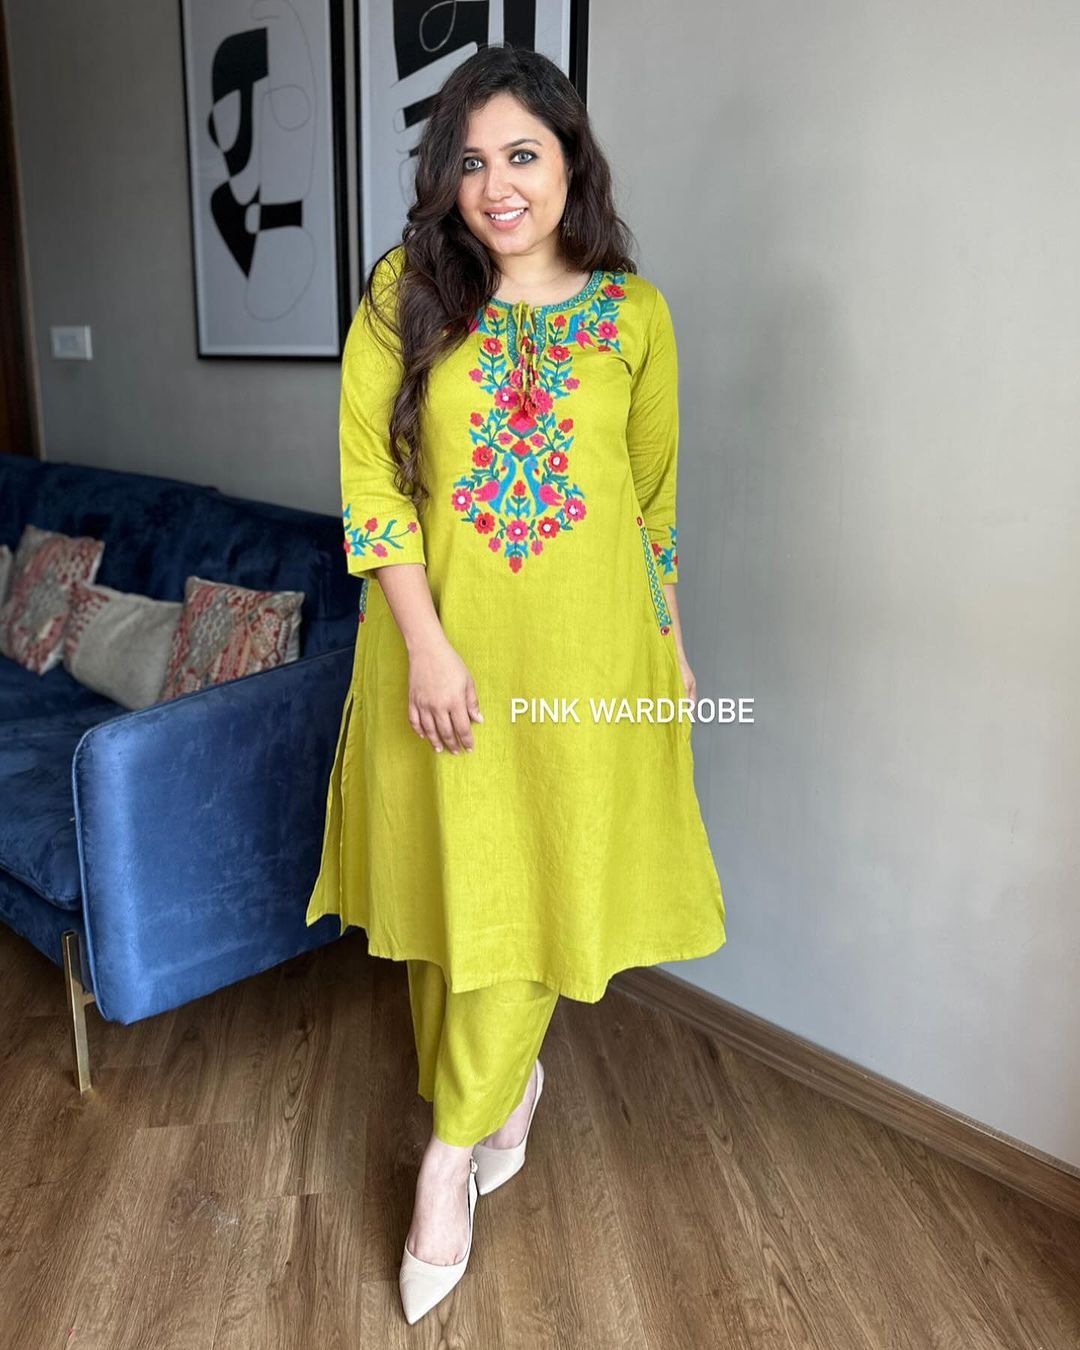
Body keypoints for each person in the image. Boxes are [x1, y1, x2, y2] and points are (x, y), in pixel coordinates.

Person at [304, 42, 727, 1325]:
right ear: (446, 177)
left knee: (536, 884)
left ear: (570, 162)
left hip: (592, 660)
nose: (499, 185)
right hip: (437, 654)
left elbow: (651, 510)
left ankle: (447, 1159)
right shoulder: (405, 298)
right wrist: (429, 646)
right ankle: (507, 1090)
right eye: (473, 160)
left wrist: (671, 647)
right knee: (454, 891)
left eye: (524, 155)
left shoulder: (635, 316)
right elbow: (372, 491)